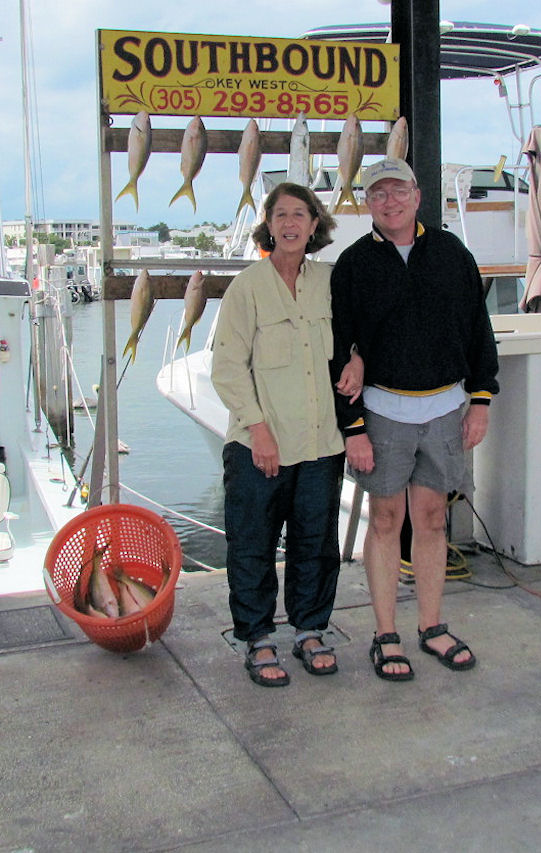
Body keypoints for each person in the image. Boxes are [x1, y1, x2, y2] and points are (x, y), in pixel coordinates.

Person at [330, 158, 499, 680]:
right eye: (378, 194)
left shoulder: (452, 253)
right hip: (382, 414)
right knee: (385, 522)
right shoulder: (353, 265)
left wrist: (482, 399)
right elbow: (339, 350)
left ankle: (431, 626)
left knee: (430, 520)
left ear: (418, 195)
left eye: (398, 191)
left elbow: (478, 330)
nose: (390, 201)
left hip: (448, 410)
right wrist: (353, 427)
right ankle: (386, 634)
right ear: (367, 204)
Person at [211, 182, 361, 687]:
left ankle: (310, 630)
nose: (291, 224)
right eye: (281, 215)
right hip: (260, 444)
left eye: (301, 214)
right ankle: (256, 638)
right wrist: (259, 431)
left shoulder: (332, 281)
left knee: (316, 543)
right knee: (251, 545)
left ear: (315, 224)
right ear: (269, 226)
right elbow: (228, 367)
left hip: (321, 443)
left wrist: (359, 359)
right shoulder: (247, 287)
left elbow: (357, 334)